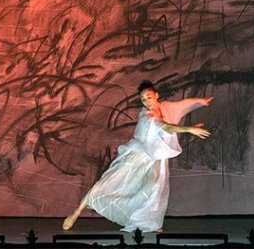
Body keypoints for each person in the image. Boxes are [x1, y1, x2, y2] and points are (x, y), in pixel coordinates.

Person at [62, 80, 214, 232]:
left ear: (156, 95)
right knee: (108, 182)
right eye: (143, 100)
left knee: (154, 188)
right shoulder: (147, 116)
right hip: (138, 155)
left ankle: (144, 221)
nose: (146, 102)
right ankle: (76, 213)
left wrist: (200, 102)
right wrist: (188, 129)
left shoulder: (166, 107)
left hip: (155, 158)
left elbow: (183, 105)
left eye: (148, 97)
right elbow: (165, 127)